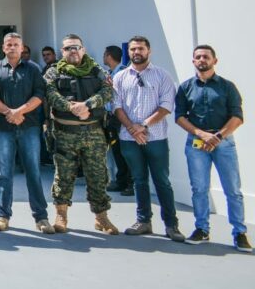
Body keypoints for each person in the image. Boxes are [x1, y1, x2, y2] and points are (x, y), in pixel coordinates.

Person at [175, 45, 250, 251]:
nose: (201, 60)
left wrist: (217, 136)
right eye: (197, 57)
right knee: (199, 189)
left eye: (206, 57)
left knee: (232, 190)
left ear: (214, 61)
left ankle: (240, 233)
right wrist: (201, 134)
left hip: (223, 142)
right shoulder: (185, 87)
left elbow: (237, 116)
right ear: (193, 61)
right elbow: (179, 116)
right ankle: (202, 229)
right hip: (196, 143)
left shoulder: (227, 87)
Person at [43, 34, 119, 235]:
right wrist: (71, 107)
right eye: (68, 48)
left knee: (98, 175)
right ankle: (61, 215)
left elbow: (108, 92)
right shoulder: (53, 72)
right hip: (65, 132)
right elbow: (50, 94)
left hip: (93, 132)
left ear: (83, 49)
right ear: (62, 52)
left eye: (76, 47)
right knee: (63, 176)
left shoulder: (97, 71)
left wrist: (87, 105)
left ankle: (101, 217)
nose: (72, 51)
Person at [113, 36, 185, 242]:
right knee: (139, 180)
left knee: (162, 181)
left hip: (156, 138)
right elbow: (116, 106)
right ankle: (143, 221)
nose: (136, 52)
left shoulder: (162, 75)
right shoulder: (120, 77)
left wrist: (142, 126)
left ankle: (171, 225)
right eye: (133, 49)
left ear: (149, 51)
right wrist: (132, 129)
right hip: (129, 138)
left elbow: (166, 106)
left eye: (141, 49)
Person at [0, 32, 53, 233]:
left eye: (16, 44)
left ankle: (41, 218)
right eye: (9, 44)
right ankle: (2, 216)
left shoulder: (33, 69)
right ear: (3, 47)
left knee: (33, 172)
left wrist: (19, 112)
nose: (13, 47)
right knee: (4, 174)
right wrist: (9, 113)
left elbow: (39, 95)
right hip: (3, 129)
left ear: (22, 47)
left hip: (29, 128)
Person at [102, 45, 133, 195]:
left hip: (121, 117)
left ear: (108, 56)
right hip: (111, 118)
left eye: (104, 54)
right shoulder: (110, 73)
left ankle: (129, 183)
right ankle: (121, 181)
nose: (103, 57)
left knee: (125, 151)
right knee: (116, 151)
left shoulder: (122, 73)